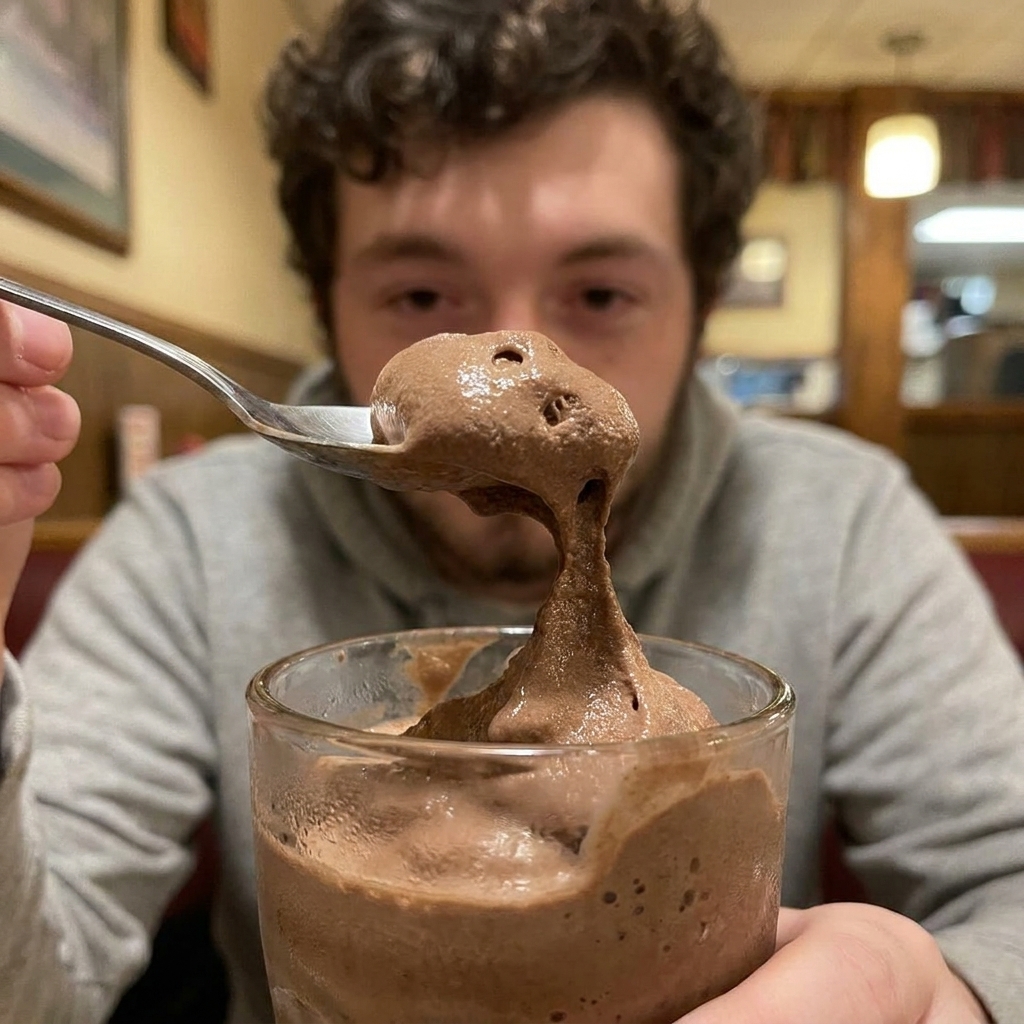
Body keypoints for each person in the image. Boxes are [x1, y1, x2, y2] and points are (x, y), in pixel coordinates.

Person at [1, 1, 1022, 1021]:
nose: (524, 347)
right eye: (420, 294)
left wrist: (942, 993)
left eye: (602, 294)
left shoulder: (843, 520)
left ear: (701, 305)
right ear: (325, 303)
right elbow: (44, 983)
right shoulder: (188, 537)